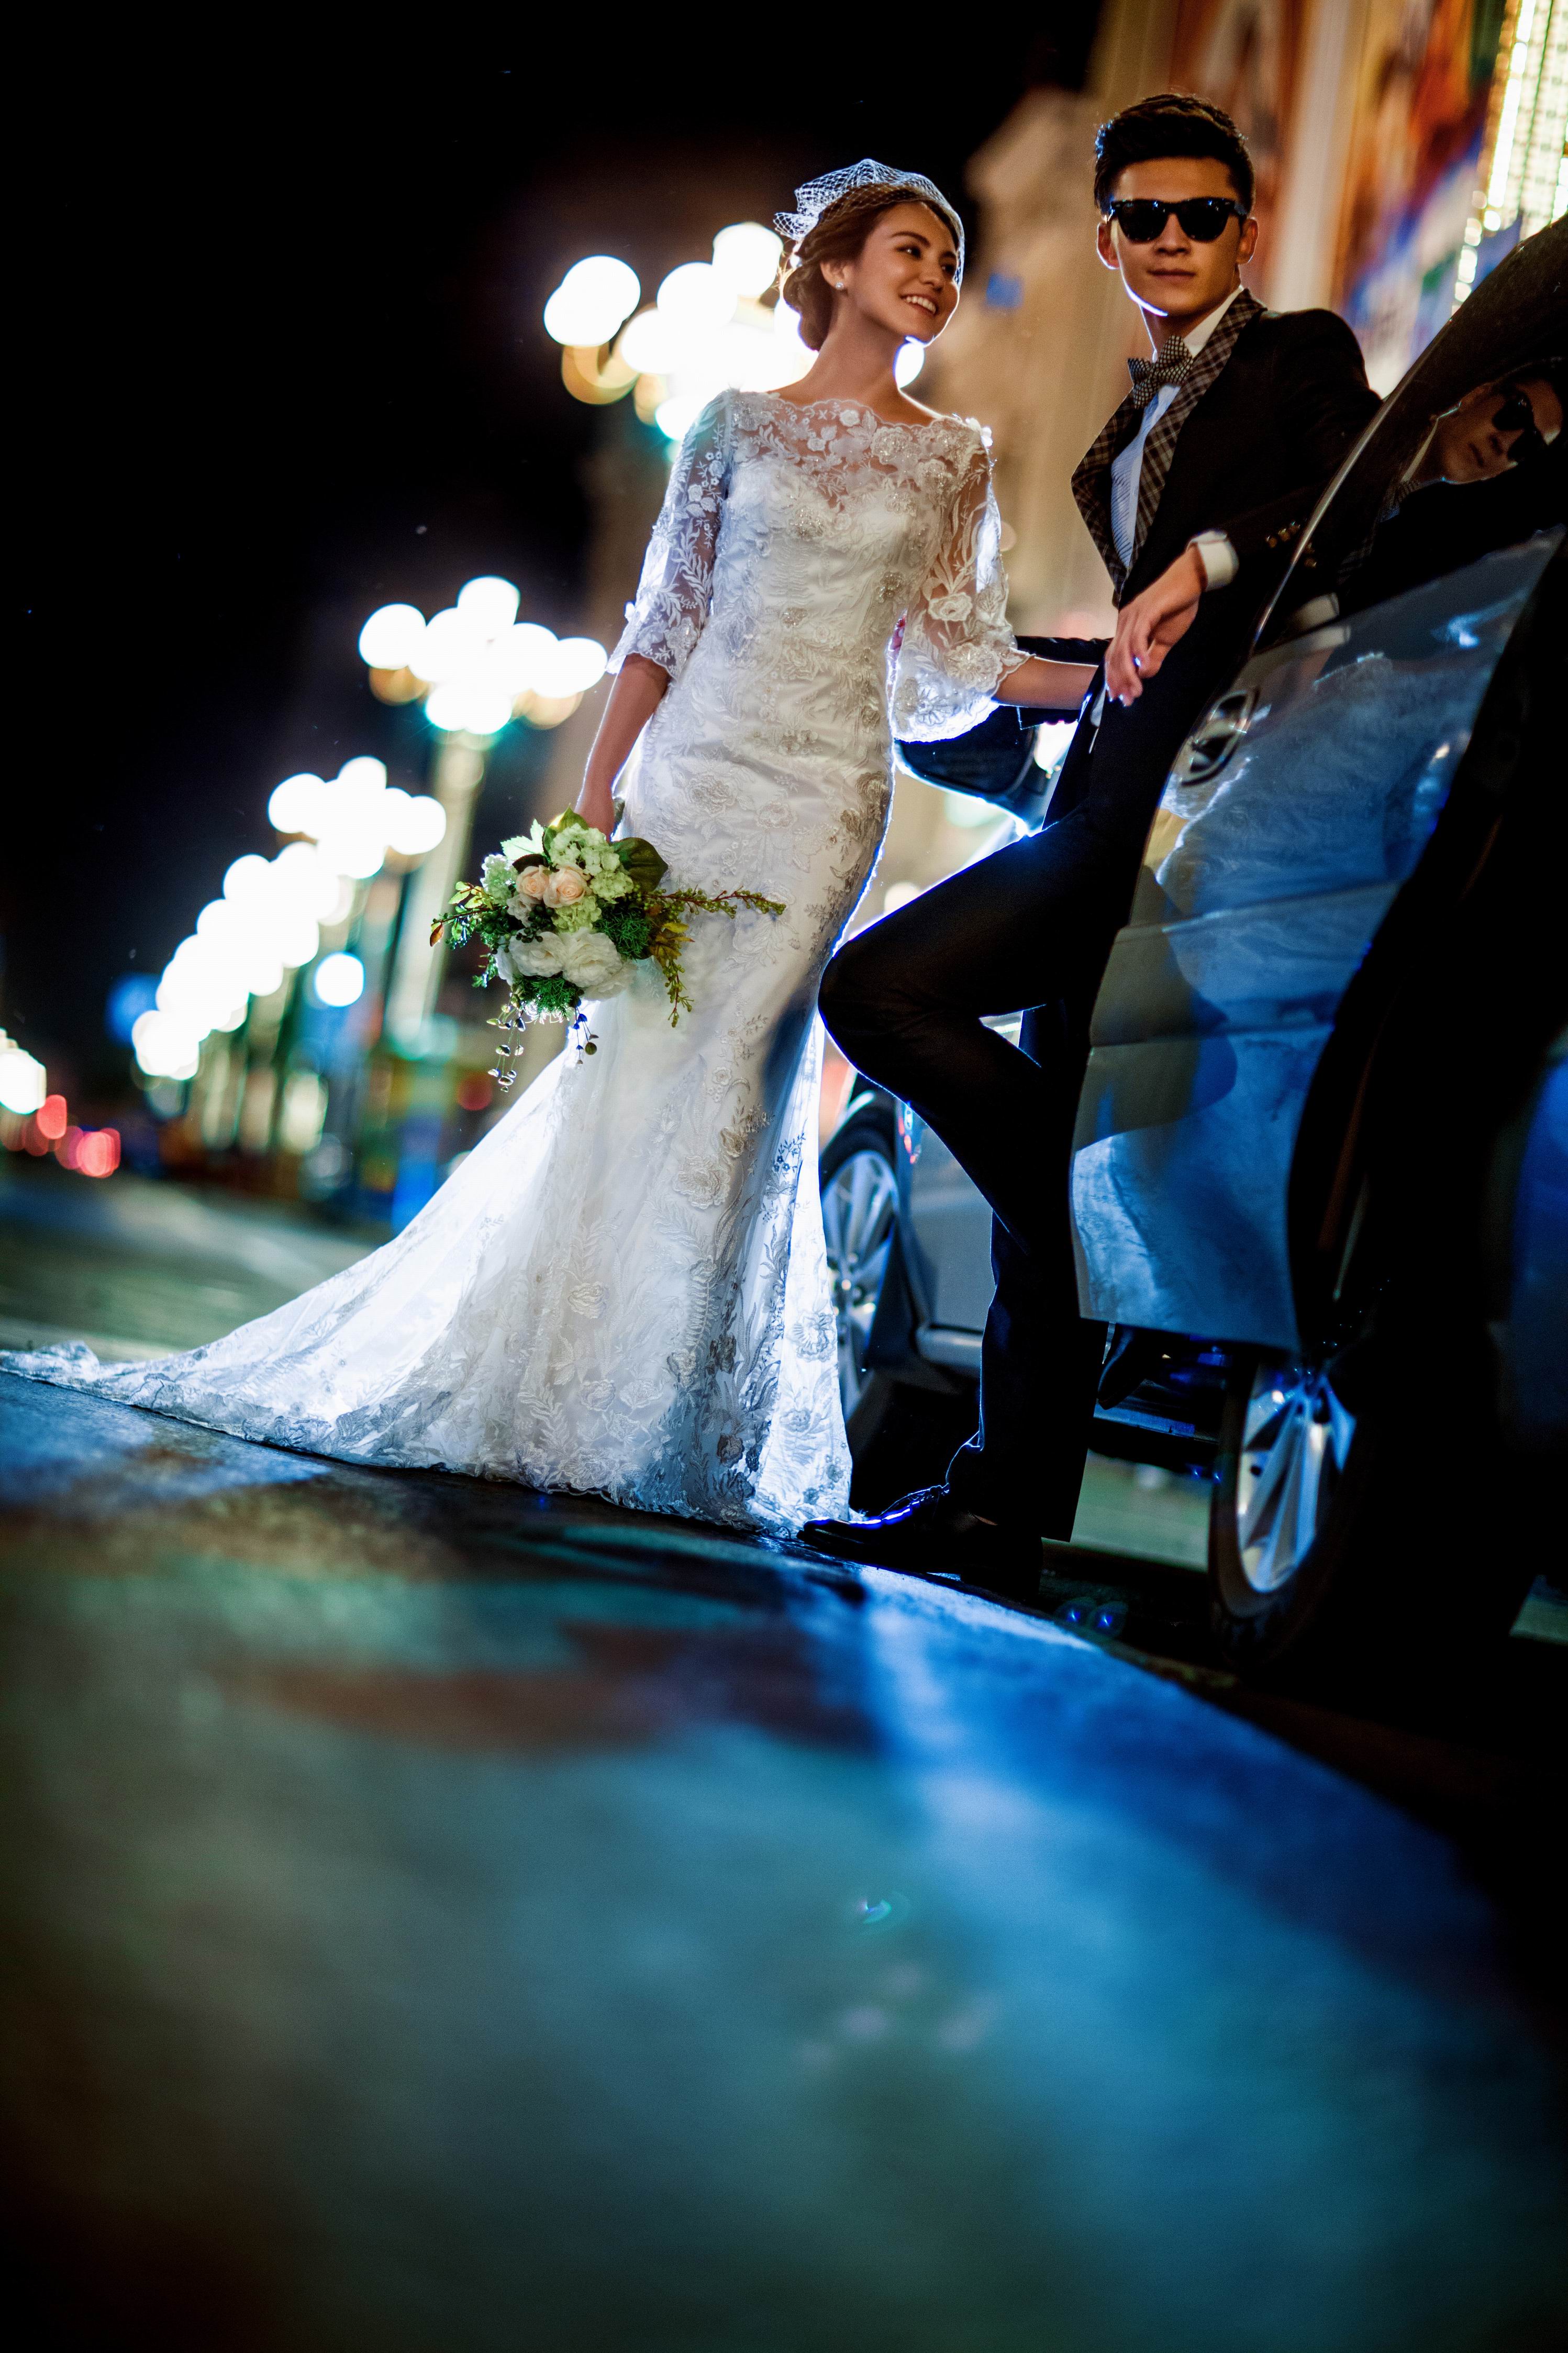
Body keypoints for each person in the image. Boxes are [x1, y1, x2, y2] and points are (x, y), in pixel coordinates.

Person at [1, 162, 1091, 1535]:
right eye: (910, 249)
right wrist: (593, 805)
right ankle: (548, 1385)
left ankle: (665, 1416)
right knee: (631, 1066)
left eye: (948, 259)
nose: (935, 275)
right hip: (692, 778)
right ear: (835, 267)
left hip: (826, 801)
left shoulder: (952, 457)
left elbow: (960, 655)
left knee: (740, 1088)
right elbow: (661, 621)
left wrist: (1116, 672)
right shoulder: (732, 422)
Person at [803, 96, 1380, 1589]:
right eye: (1142, 217)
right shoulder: (1124, 423)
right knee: (1034, 1161)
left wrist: (1202, 558)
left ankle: (1084, 1227)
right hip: (1105, 786)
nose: (1172, 238)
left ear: (1244, 230)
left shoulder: (1298, 357)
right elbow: (1133, 655)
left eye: (1203, 215)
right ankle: (1001, 1510)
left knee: (880, 988)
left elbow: (1360, 486)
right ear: (1110, 237)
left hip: (1190, 813)